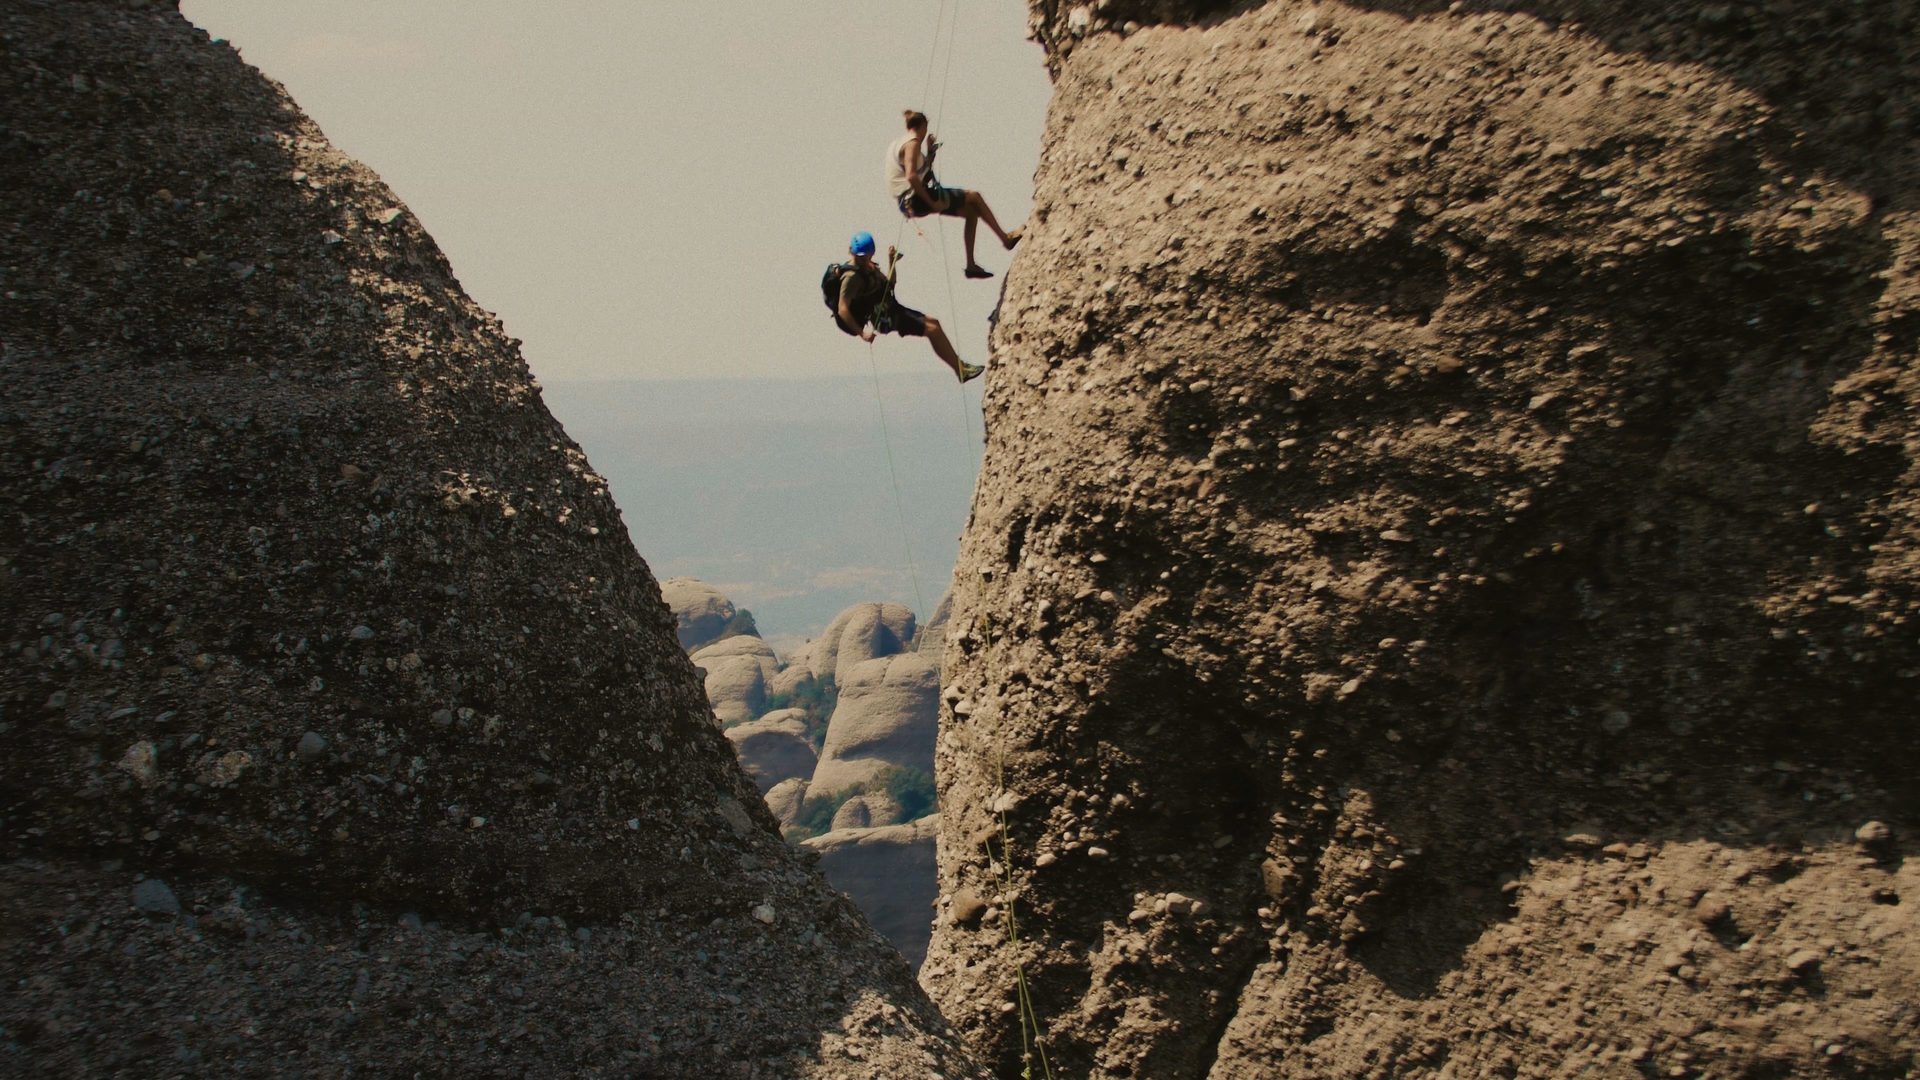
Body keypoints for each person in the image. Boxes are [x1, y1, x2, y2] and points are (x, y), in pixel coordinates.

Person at [831, 231, 982, 383]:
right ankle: (961, 370)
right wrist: (861, 333)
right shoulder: (851, 277)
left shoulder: (868, 267)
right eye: (862, 257)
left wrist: (891, 262)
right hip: (885, 318)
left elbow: (889, 285)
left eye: (868, 256)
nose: (865, 259)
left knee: (934, 324)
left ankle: (961, 368)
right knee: (932, 329)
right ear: (854, 253)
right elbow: (842, 309)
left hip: (891, 308)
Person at [887, 110, 1021, 280]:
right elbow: (912, 176)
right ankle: (1006, 239)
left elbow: (919, 172)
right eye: (926, 128)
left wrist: (930, 153)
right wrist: (932, 202)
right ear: (922, 126)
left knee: (971, 213)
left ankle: (971, 266)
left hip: (909, 203)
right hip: (916, 199)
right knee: (974, 197)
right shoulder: (912, 143)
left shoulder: (897, 144)